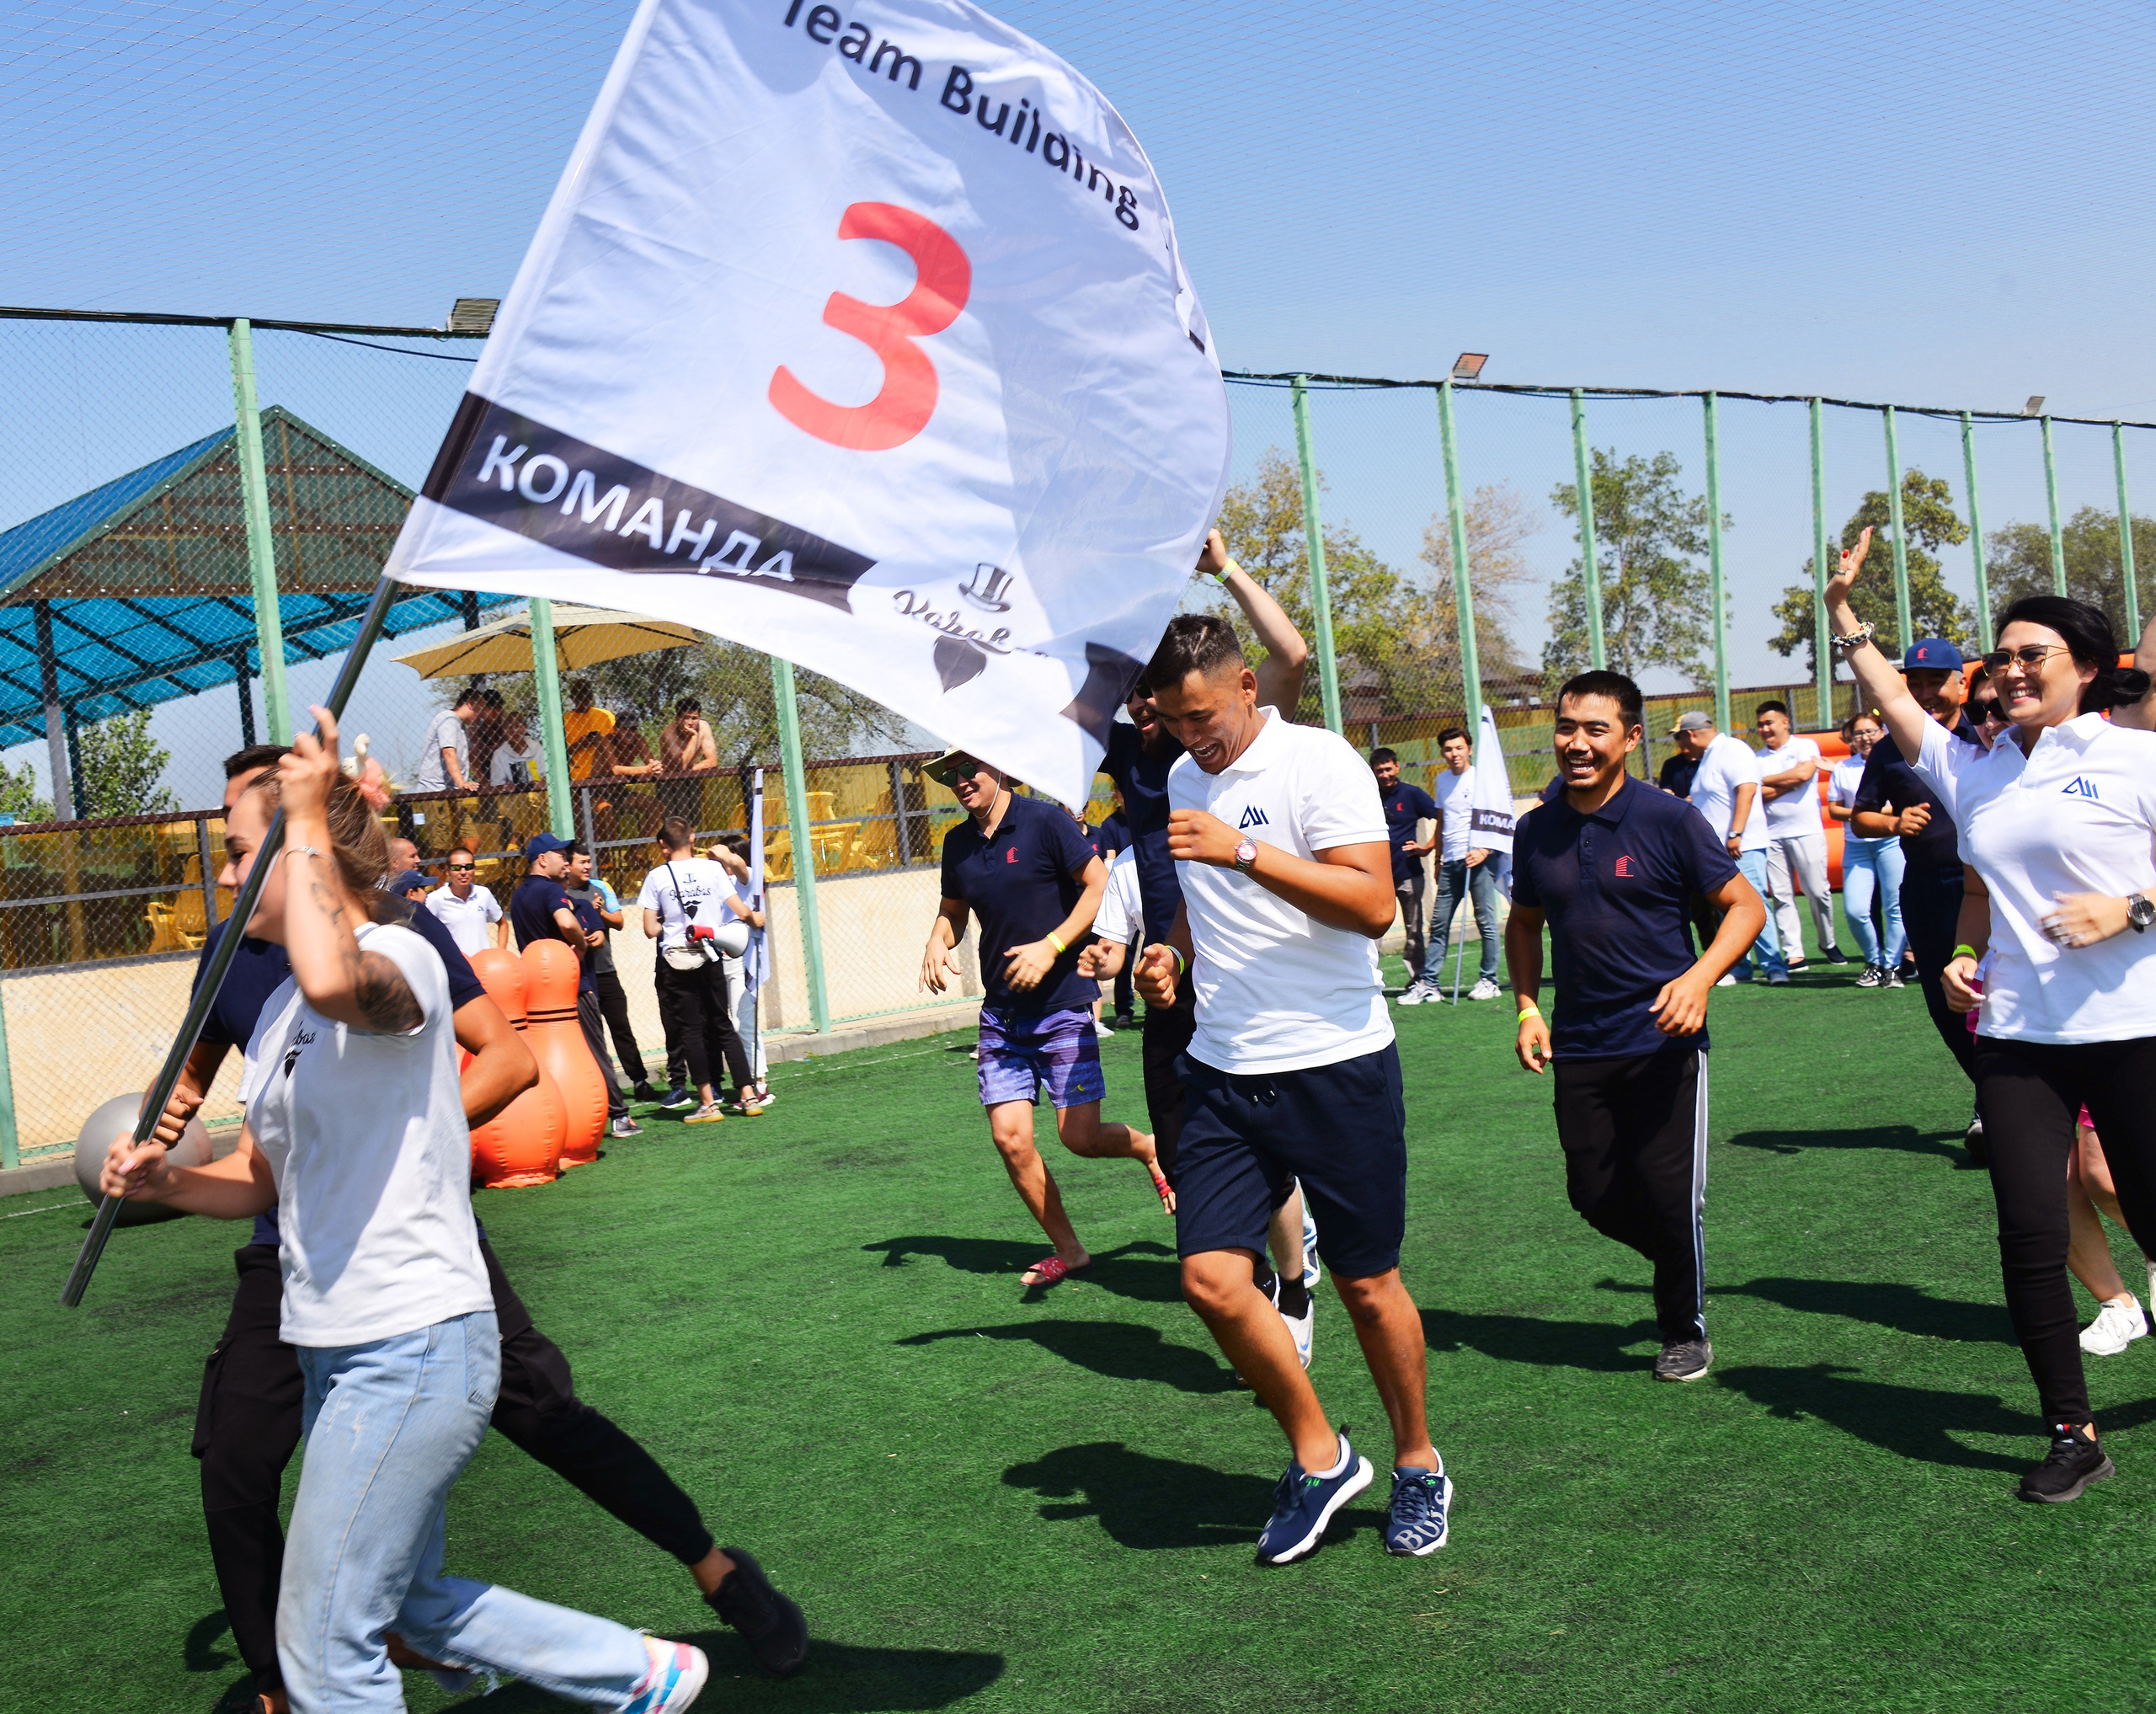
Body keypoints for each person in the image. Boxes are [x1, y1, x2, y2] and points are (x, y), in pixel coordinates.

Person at [102, 718, 734, 1711]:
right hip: (331, 1345)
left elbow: (337, 977)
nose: (224, 878)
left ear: (297, 853)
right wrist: (167, 1184)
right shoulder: (273, 1016)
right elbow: (264, 1180)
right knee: (415, 1603)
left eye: (237, 851)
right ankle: (644, 1674)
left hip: (412, 1342)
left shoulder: (401, 954)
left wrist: (306, 812)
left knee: (324, 1646)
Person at [1826, 526, 2156, 1501]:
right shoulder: (1976, 768)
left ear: (2086, 669)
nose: (2007, 670)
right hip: (2018, 1038)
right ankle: (2071, 1430)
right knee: (2026, 1233)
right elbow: (1891, 699)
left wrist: (2128, 909)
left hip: (2132, 1029)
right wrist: (1844, 612)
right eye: (2000, 656)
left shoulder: (2136, 759)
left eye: (2031, 655)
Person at [1133, 613, 1449, 1564]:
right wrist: (1168, 952)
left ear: (1244, 687)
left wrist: (1243, 849)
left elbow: (1373, 906)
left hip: (1335, 1063)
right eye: (1174, 720)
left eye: (1203, 713)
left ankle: (1417, 1462)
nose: (1193, 736)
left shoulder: (1321, 764)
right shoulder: (1186, 777)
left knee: (1365, 1282)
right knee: (1211, 1279)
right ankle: (1320, 1455)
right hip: (1225, 1069)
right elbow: (1202, 902)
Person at [1506, 671, 1767, 1384]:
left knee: (1667, 1188)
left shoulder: (1669, 819)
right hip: (1579, 1042)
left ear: (1629, 737)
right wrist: (1527, 1005)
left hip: (1664, 1042)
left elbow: (1745, 906)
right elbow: (1524, 922)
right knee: (1591, 1193)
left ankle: (1683, 1326)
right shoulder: (1536, 828)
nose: (1577, 743)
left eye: (1595, 730)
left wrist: (1698, 978)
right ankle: (1679, 1256)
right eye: (1566, 727)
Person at [920, 751, 1171, 1285]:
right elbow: (953, 911)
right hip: (1001, 1015)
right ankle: (1071, 1250)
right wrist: (937, 940)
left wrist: (1052, 945)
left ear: (999, 769)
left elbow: (1099, 883)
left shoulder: (1045, 822)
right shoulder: (958, 842)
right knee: (1010, 1140)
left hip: (1060, 1007)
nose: (961, 783)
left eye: (970, 771)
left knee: (1078, 1138)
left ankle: (1149, 1147)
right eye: (951, 777)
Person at [1848, 628, 1986, 1156]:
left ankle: (2001, 1107)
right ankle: (1990, 1094)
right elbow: (1860, 818)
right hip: (1927, 890)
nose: (1926, 692)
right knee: (1943, 1004)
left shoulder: (1990, 735)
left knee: (1991, 994)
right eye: (1916, 682)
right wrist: (1893, 822)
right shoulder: (1888, 751)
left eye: (1937, 681)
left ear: (1961, 681)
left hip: (1990, 892)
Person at [510, 831, 638, 1137]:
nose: (566, 862)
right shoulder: (551, 891)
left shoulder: (518, 895)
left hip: (538, 993)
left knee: (553, 1058)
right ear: (542, 860)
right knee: (594, 1050)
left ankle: (560, 1123)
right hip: (572, 987)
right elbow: (567, 923)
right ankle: (619, 1116)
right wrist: (580, 946)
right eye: (561, 856)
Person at [638, 816, 764, 1121]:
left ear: (663, 845)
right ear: (693, 839)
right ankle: (748, 1096)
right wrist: (753, 920)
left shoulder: (657, 876)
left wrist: (671, 921)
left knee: (691, 1031)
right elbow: (740, 908)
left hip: (676, 960)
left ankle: (708, 1103)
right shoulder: (712, 868)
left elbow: (650, 930)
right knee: (723, 1024)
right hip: (711, 953)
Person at [1671, 710, 1783, 983]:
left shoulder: (1732, 748)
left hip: (1740, 845)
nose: (1680, 745)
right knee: (1730, 910)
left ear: (1691, 734)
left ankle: (1774, 967)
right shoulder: (1709, 756)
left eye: (1680, 738)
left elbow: (1746, 789)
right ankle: (1741, 968)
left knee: (1753, 904)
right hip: (1719, 848)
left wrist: (1736, 832)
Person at [1399, 726, 1502, 1004]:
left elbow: (1500, 817)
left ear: (1469, 749)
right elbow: (1442, 821)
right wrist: (1436, 857)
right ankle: (1430, 983)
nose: (1453, 753)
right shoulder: (1443, 780)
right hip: (1450, 861)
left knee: (1486, 922)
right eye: (1448, 749)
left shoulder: (1482, 778)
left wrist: (1484, 849)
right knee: (1439, 924)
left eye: (1459, 748)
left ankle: (1489, 980)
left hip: (1479, 860)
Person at [1754, 699, 1844, 969]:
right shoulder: (1756, 759)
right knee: (1781, 896)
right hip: (1770, 835)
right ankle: (1794, 953)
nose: (1764, 729)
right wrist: (1789, 780)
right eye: (1760, 725)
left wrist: (1767, 780)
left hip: (1807, 831)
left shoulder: (1805, 746)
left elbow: (1804, 774)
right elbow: (1758, 794)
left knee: (1818, 891)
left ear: (1785, 722)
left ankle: (1827, 942)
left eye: (1769, 723)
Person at [567, 839, 658, 1103]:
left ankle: (640, 1081)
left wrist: (601, 913)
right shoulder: (560, 892)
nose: (588, 866)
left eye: (588, 861)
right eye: (581, 862)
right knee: (589, 1036)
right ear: (568, 865)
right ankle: (599, 1089)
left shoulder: (600, 887)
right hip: (580, 977)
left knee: (621, 1028)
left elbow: (619, 922)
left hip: (606, 972)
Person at [1827, 711, 1904, 987]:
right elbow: (1834, 809)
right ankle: (1873, 960)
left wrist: (1868, 814)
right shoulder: (1842, 769)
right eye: (1858, 733)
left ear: (1882, 731)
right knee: (1856, 910)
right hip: (1856, 846)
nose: (1865, 738)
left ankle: (1892, 966)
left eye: (1870, 731)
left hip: (1890, 842)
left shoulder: (1894, 761)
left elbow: (1899, 805)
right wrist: (1862, 814)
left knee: (1895, 906)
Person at [2068, 1107, 2153, 1355]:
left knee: (2102, 1179)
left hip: (2098, 1067)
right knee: (2048, 1183)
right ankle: (2119, 1306)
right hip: (2024, 1071)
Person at [710, 832, 772, 1107]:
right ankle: (742, 1082)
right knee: (728, 1023)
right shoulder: (717, 882)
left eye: (727, 856)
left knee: (743, 1022)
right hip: (718, 959)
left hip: (744, 961)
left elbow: (737, 865)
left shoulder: (746, 878)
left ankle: (759, 1083)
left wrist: (722, 855)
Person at [1369, 748, 1438, 992]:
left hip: (1409, 873)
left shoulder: (1412, 794)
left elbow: (1440, 815)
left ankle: (1418, 978)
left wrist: (1428, 848)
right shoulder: (1368, 796)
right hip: (1377, 878)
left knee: (1413, 929)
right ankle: (1368, 979)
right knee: (1371, 931)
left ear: (1397, 767)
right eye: (1380, 771)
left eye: (1388, 769)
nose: (1385, 774)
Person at [427, 846, 507, 954]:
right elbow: (424, 933)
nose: (463, 872)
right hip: (456, 968)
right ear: (447, 871)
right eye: (456, 868)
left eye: (468, 867)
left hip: (482, 966)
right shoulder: (436, 899)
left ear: (474, 869)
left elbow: (502, 923)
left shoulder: (484, 894)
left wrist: (501, 953)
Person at [414, 686, 482, 793]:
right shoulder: (448, 718)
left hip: (450, 790)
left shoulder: (461, 726)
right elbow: (449, 752)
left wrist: (486, 783)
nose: (481, 714)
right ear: (471, 704)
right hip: (435, 790)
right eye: (480, 708)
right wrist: (462, 784)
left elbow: (471, 758)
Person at [563, 680, 615, 782]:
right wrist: (580, 744)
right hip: (577, 775)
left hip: (605, 772)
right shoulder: (565, 720)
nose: (584, 703)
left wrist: (602, 742)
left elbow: (616, 745)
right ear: (572, 699)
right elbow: (562, 753)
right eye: (580, 700)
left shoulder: (605, 716)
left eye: (587, 699)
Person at [489, 707, 549, 789]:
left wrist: (541, 781)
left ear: (525, 727)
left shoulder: (536, 747)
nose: (514, 730)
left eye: (518, 726)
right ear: (504, 730)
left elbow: (547, 773)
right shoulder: (499, 754)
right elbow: (497, 784)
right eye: (509, 727)